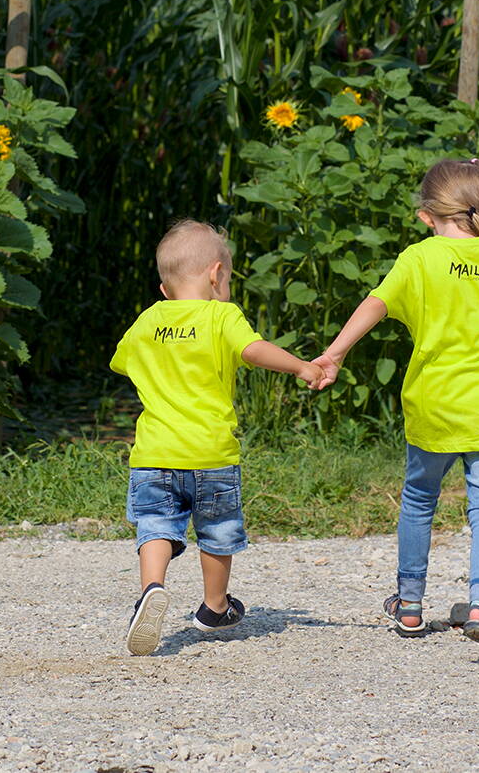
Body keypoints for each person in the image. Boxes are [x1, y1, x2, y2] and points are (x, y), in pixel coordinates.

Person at [311, 159, 479, 663]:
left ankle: (409, 603)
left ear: (429, 215)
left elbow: (375, 304)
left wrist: (334, 353)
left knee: (419, 498)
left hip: (431, 406)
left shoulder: (420, 259)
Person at [110, 219, 325, 656]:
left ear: (165, 288)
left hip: (154, 453)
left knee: (155, 525)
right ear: (216, 274)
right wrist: (302, 366)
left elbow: (121, 360)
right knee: (217, 530)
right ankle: (214, 606)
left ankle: (152, 588)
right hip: (210, 453)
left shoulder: (148, 319)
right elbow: (253, 350)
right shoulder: (222, 315)